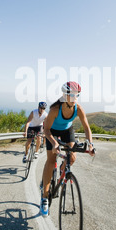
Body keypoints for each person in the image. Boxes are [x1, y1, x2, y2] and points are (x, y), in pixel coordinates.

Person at [40, 81, 95, 217]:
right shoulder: (55, 109)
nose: (75, 98)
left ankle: (63, 168)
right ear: (65, 95)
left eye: (77, 95)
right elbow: (46, 129)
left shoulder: (78, 108)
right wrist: (54, 143)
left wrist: (90, 144)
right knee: (51, 158)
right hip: (51, 131)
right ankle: (44, 197)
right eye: (72, 95)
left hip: (67, 131)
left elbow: (87, 127)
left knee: (73, 156)